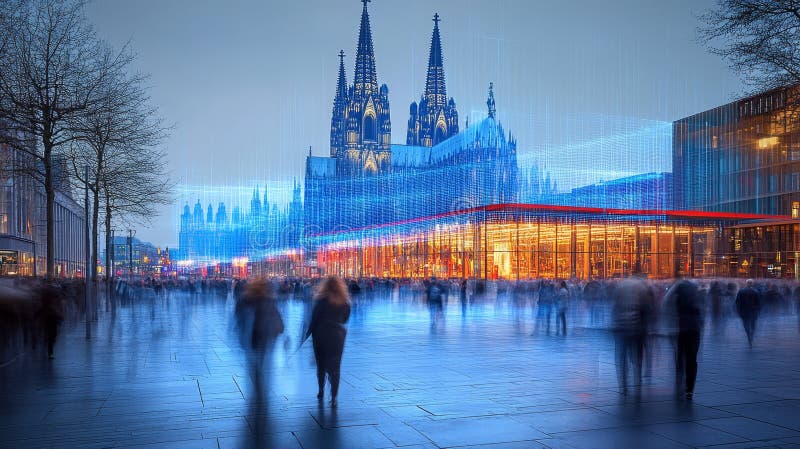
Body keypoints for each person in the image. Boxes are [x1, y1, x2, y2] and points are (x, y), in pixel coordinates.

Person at [306, 276, 351, 407]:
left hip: (320, 335)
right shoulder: (344, 301)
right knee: (335, 367)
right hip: (337, 336)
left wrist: (308, 333)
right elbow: (344, 320)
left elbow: (314, 319)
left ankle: (321, 391)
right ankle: (334, 397)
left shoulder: (321, 300)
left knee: (321, 365)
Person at [670, 279, 704, 400]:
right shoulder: (696, 299)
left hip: (681, 330)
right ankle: (690, 389)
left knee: (680, 357)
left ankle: (679, 381)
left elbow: (668, 306)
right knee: (692, 359)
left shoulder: (679, 300)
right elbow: (701, 316)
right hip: (694, 331)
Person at [36, 283, 64, 359]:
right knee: (51, 335)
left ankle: (48, 348)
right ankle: (50, 351)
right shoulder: (48, 299)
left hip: (51, 317)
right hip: (51, 318)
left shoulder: (54, 298)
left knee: (51, 335)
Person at [735, 279, 761, 347]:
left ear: (746, 284)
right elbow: (758, 302)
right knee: (753, 324)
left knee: (745, 324)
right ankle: (751, 336)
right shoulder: (755, 291)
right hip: (753, 311)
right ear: (752, 284)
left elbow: (737, 301)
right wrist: (758, 310)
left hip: (744, 310)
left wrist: (738, 310)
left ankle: (748, 335)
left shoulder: (741, 291)